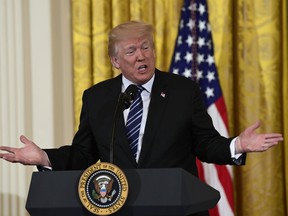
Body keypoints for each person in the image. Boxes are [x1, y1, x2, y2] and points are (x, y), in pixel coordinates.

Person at [0, 21, 283, 215]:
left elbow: (206, 144)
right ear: (115, 61)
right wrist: (44, 158)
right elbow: (85, 153)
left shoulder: (182, 91)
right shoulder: (97, 97)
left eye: (145, 47)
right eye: (131, 51)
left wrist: (237, 145)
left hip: (177, 208)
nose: (141, 56)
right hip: (118, 209)